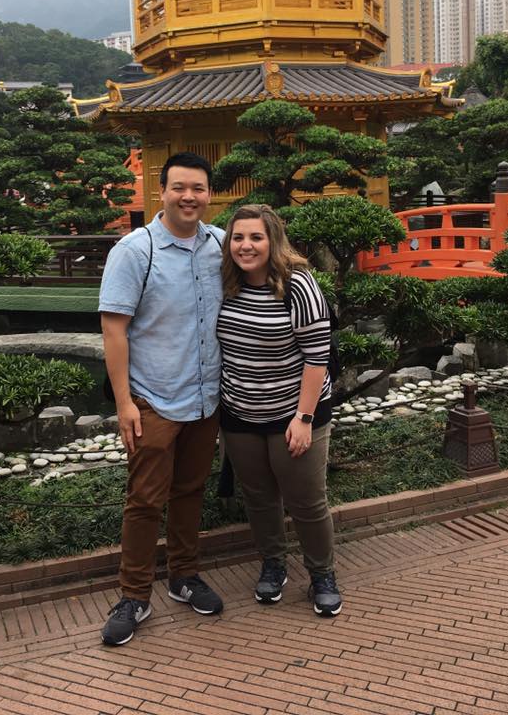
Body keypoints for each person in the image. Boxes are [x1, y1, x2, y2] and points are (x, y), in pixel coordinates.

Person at [98, 152, 224, 646]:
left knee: (190, 490)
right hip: (153, 397)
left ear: (209, 194)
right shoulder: (135, 250)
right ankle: (133, 595)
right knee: (145, 500)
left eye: (198, 188)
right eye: (179, 188)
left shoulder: (220, 245)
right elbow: (114, 330)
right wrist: (124, 403)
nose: (188, 197)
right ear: (162, 191)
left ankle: (183, 575)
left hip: (206, 397)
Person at [216, 204, 342, 617]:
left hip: (295, 411)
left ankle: (322, 573)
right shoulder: (225, 282)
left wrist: (304, 418)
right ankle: (273, 563)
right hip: (240, 412)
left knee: (306, 500)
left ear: (273, 240)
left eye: (256, 237)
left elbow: (317, 356)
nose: (246, 246)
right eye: (238, 237)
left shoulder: (297, 284)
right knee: (258, 497)